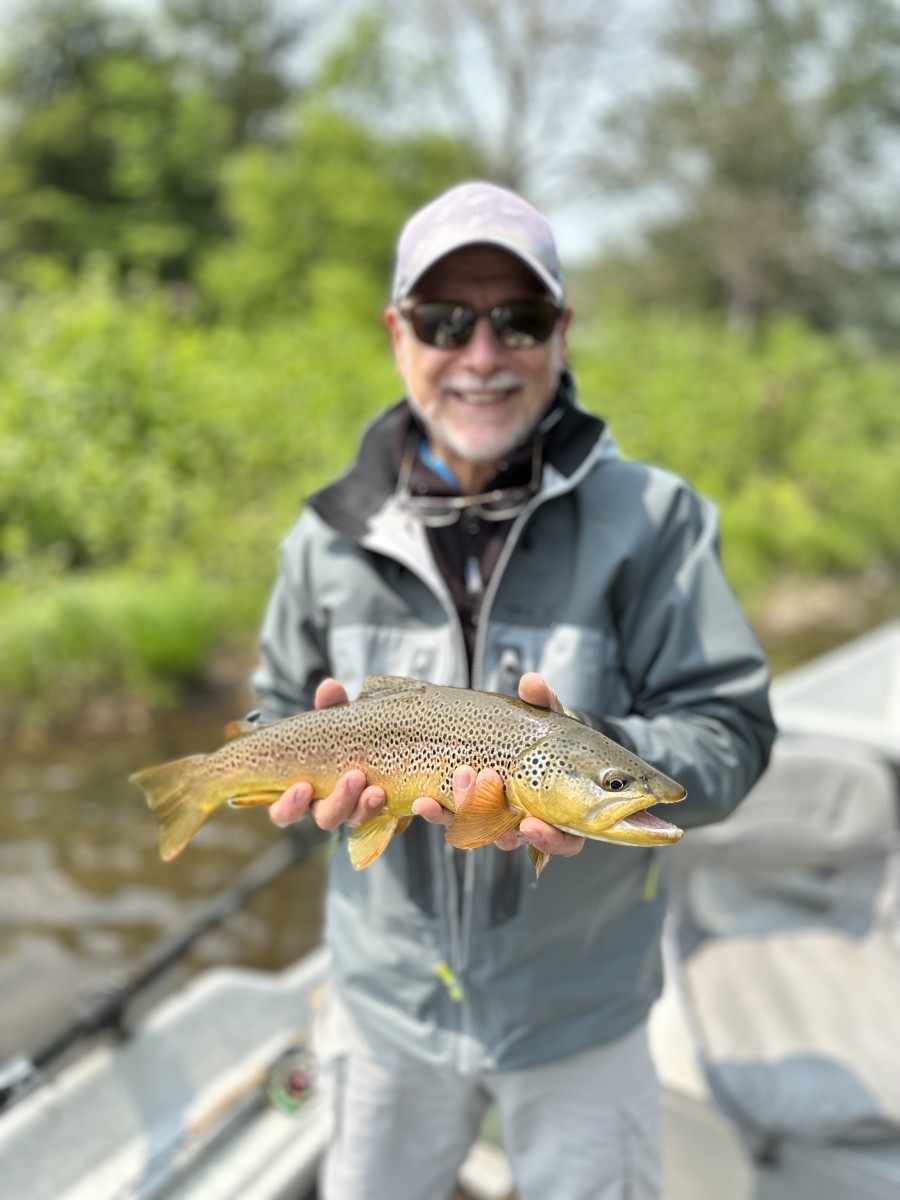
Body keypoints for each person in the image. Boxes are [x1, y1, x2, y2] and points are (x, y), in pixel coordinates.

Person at [253, 181, 777, 1200]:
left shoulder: (659, 522)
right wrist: (306, 797)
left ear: (562, 331)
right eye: (447, 321)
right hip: (382, 1005)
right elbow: (274, 728)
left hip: (583, 1012)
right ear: (398, 333)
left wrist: (589, 751)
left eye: (519, 318)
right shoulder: (322, 541)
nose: (483, 355)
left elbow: (731, 737)